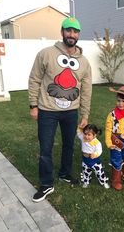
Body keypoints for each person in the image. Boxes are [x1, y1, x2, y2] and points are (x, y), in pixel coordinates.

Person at [28, 17, 92, 202]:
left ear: (78, 34)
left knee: (68, 145)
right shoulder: (46, 54)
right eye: (68, 30)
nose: (72, 34)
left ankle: (65, 173)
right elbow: (34, 79)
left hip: (71, 112)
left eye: (75, 31)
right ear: (62, 31)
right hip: (47, 110)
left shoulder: (84, 62)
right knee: (46, 147)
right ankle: (47, 184)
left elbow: (86, 89)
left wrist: (85, 113)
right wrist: (33, 105)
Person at [77, 124, 110, 189]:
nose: (86, 136)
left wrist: (95, 154)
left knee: (99, 172)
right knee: (86, 172)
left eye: (89, 135)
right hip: (85, 160)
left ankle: (104, 182)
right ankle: (86, 182)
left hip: (95, 161)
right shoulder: (83, 138)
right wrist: (79, 128)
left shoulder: (97, 143)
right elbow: (79, 133)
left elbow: (99, 151)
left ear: (94, 135)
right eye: (85, 134)